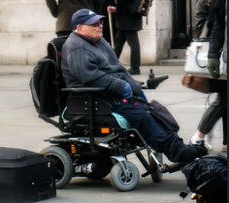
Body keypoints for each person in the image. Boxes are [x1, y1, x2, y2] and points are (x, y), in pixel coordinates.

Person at [61, 9, 208, 163]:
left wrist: (133, 85)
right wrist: (121, 87)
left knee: (154, 111)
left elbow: (118, 68)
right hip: (94, 99)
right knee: (142, 116)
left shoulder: (98, 41)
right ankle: (178, 153)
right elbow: (89, 77)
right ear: (79, 28)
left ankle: (179, 148)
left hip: (110, 95)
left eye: (100, 22)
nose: (100, 26)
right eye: (94, 24)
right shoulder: (77, 48)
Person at [190, 0, 227, 152]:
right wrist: (213, 55)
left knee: (224, 99)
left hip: (219, 53)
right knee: (223, 99)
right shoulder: (212, 2)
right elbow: (215, 24)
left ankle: (207, 137)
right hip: (221, 56)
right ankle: (199, 136)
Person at [107, 0, 142, 75]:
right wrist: (116, 9)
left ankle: (135, 67)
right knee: (118, 42)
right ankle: (111, 64)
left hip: (129, 18)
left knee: (132, 43)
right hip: (126, 18)